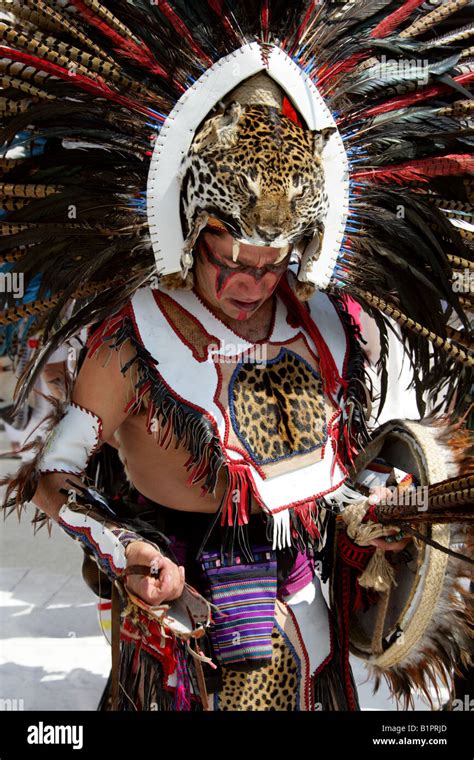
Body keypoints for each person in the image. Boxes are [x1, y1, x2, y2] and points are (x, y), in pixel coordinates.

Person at [0, 0, 472, 712]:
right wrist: (127, 548)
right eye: (229, 261)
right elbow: (54, 473)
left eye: (271, 264)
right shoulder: (132, 341)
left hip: (311, 614)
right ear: (194, 232)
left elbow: (330, 473)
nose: (249, 285)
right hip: (186, 614)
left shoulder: (334, 327)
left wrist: (373, 509)